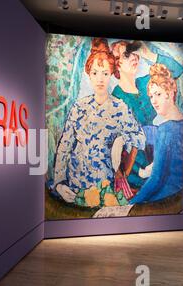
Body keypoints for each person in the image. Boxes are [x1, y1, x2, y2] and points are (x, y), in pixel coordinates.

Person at [53, 38, 145, 203]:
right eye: (95, 73)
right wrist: (60, 183)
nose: (100, 79)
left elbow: (139, 137)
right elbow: (64, 146)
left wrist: (122, 142)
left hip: (106, 186)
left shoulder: (120, 107)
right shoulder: (79, 107)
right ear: (89, 74)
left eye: (105, 73)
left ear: (111, 74)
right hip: (76, 187)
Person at [111, 40, 183, 190]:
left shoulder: (146, 83)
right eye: (126, 55)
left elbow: (177, 70)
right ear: (116, 64)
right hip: (136, 169)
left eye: (134, 53)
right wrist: (139, 170)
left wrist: (148, 54)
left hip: (159, 153)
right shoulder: (116, 98)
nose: (134, 58)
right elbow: (117, 146)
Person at [130, 64, 183, 204]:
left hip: (165, 198)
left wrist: (129, 206)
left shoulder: (166, 130)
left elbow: (156, 179)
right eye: (151, 96)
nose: (153, 101)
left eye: (158, 94)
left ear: (170, 92)